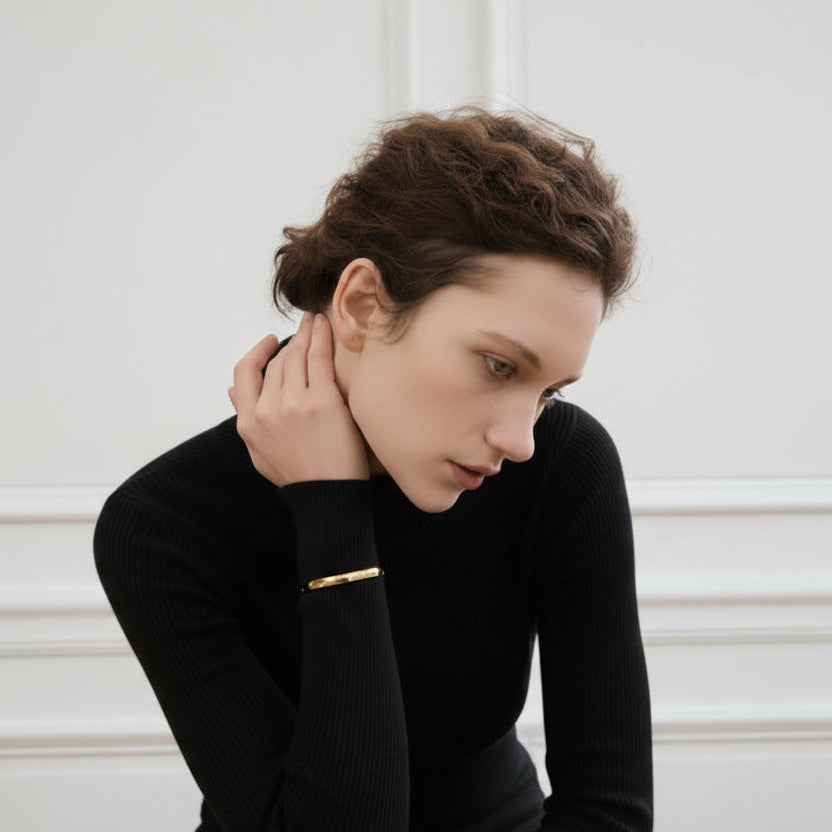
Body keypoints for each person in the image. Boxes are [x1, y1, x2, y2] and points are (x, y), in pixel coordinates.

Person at [94, 107, 653, 831]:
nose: (522, 440)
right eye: (498, 364)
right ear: (362, 304)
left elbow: (608, 812)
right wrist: (331, 510)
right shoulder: (165, 527)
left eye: (548, 392)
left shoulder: (564, 466)